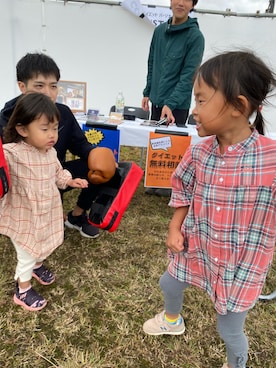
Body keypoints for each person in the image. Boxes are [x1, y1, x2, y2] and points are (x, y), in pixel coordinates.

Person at [142, 50, 276, 368]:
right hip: (196, 247)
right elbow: (183, 190)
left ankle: (236, 364)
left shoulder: (271, 159)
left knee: (229, 329)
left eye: (201, 101)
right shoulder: (199, 151)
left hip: (239, 265)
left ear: (238, 107)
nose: (194, 110)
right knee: (169, 283)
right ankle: (172, 320)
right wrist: (175, 228)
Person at [0, 93, 89, 311]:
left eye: (55, 128)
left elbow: (58, 173)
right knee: (26, 254)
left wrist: (70, 180)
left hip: (46, 212)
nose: (52, 135)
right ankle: (22, 289)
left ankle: (37, 266)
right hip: (24, 216)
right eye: (44, 129)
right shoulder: (12, 153)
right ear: (22, 130)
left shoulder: (50, 153)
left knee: (43, 243)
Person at [0, 53, 102, 238]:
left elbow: (80, 145)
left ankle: (76, 216)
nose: (48, 93)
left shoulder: (62, 112)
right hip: (24, 185)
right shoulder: (8, 117)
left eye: (53, 86)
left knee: (99, 168)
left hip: (54, 172)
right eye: (39, 85)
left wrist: (97, 155)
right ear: (22, 86)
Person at [142, 0, 204, 197]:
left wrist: (171, 103)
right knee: (157, 143)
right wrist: (147, 91)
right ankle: (155, 181)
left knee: (171, 145)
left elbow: (189, 76)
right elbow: (152, 63)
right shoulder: (159, 31)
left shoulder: (195, 37)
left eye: (187, 0)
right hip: (157, 100)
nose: (181, 2)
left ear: (192, 5)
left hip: (176, 105)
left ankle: (170, 185)